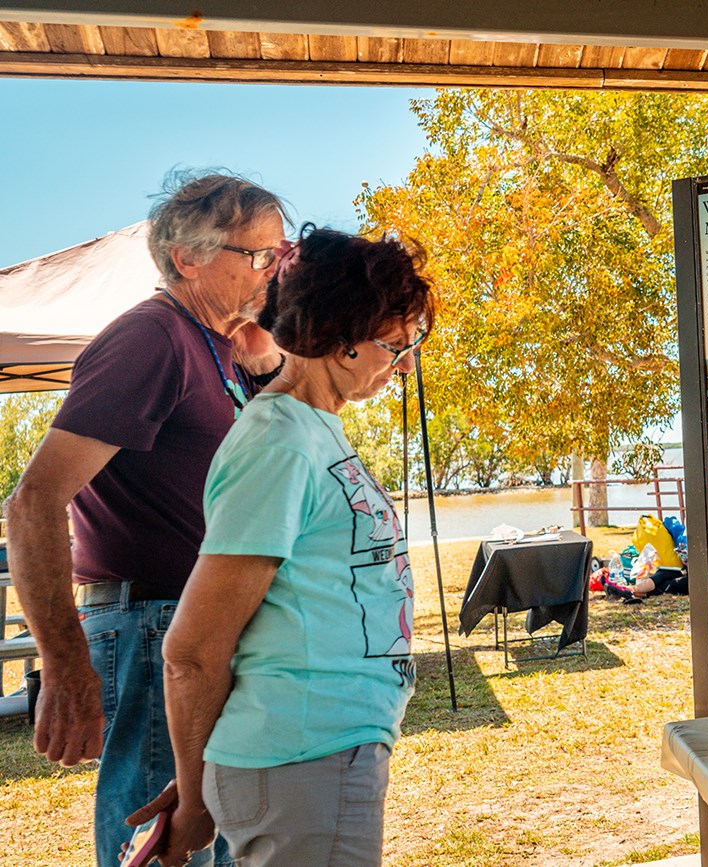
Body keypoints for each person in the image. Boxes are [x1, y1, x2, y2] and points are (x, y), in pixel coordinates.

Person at [3, 172, 288, 866]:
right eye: (254, 255)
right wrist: (65, 666)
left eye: (278, 254)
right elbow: (34, 501)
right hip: (153, 627)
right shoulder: (150, 338)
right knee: (170, 849)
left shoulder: (220, 345)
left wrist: (267, 360)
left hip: (194, 625)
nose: (271, 271)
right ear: (187, 257)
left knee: (216, 838)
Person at [131, 225, 432, 867]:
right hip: (304, 754)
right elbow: (193, 649)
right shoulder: (279, 442)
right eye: (396, 344)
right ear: (341, 338)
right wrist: (192, 795)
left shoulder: (311, 430)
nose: (405, 363)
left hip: (321, 751)